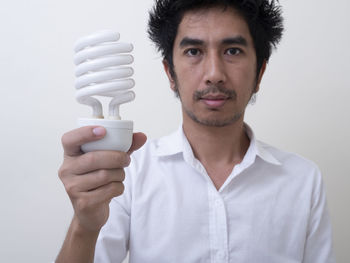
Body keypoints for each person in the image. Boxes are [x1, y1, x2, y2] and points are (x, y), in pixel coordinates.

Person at [56, 0, 335, 262]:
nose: (214, 73)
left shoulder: (302, 180)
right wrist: (84, 224)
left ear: (259, 73)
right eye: (193, 51)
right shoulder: (126, 175)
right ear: (170, 73)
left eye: (232, 51)